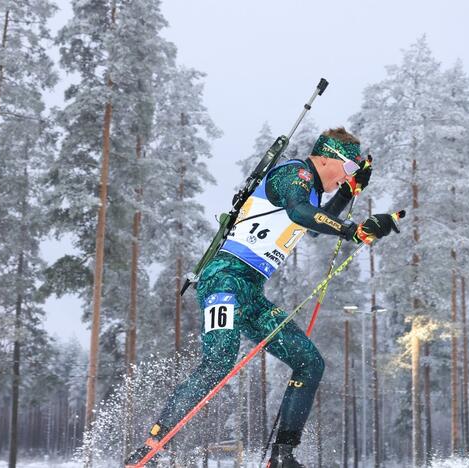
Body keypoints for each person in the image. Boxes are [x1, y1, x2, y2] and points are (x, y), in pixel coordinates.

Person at [125, 127, 402, 467]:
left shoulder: (311, 193)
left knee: (310, 363)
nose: (345, 177)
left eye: (353, 173)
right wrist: (350, 229)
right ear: (327, 157)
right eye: (346, 169)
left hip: (251, 292)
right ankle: (152, 447)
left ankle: (282, 456)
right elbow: (301, 213)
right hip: (224, 280)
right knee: (219, 361)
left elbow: (313, 225)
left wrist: (350, 192)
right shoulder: (294, 174)